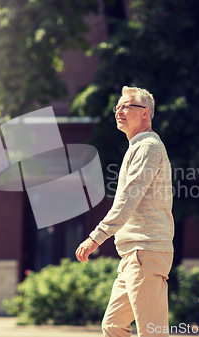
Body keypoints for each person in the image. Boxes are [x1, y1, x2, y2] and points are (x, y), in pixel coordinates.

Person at [76, 86, 174, 337]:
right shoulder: (137, 147)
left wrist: (96, 237)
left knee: (152, 332)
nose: (119, 110)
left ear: (145, 114)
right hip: (133, 254)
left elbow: (128, 198)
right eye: (117, 106)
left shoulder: (148, 146)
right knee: (113, 326)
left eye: (127, 106)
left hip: (146, 250)